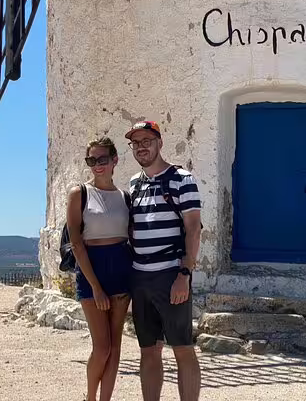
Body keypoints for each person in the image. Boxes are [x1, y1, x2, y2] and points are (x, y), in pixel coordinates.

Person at [125, 121, 203, 401]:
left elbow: (194, 228)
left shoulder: (182, 179)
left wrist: (184, 274)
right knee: (148, 349)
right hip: (140, 277)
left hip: (171, 275)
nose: (141, 146)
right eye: (136, 142)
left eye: (147, 140)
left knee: (182, 347)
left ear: (160, 142)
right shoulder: (134, 184)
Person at [66, 136, 133, 401]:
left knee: (115, 347)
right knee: (102, 347)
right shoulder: (79, 194)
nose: (97, 165)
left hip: (121, 267)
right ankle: (90, 398)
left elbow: (132, 237)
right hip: (91, 269)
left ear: (115, 160)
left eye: (102, 159)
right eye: (91, 160)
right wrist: (95, 287)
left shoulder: (125, 197)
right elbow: (76, 242)